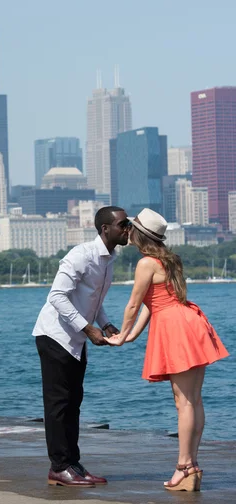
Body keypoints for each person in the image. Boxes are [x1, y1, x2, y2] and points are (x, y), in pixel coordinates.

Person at [104, 208, 229, 492]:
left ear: (138, 234)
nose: (128, 232)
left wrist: (121, 335)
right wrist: (132, 335)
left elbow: (135, 305)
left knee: (183, 403)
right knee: (194, 401)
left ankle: (184, 467)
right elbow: (153, 303)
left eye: (131, 228)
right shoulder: (170, 260)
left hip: (175, 328)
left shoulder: (146, 263)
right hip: (191, 321)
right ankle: (192, 466)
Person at [32, 206, 131, 487]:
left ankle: (72, 465)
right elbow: (57, 296)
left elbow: (92, 299)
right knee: (58, 405)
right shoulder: (81, 255)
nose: (128, 229)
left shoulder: (108, 259)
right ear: (105, 229)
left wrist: (106, 323)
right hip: (55, 336)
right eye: (123, 224)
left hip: (74, 339)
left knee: (73, 403)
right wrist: (88, 329)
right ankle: (58, 467)